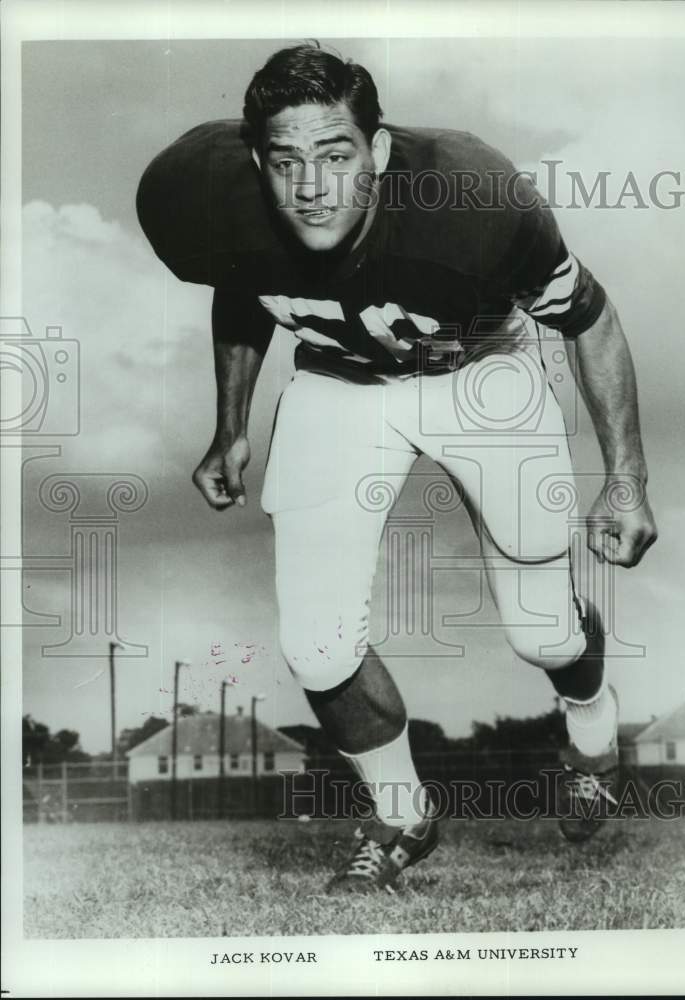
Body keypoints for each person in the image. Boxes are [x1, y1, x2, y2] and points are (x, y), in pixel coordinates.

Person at [137, 43, 657, 894]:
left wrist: (626, 476)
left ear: (375, 152)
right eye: (285, 161)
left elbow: (590, 320)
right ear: (252, 160)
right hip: (337, 382)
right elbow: (242, 284)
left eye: (335, 156)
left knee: (541, 632)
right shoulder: (203, 196)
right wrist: (230, 423)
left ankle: (591, 733)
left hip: (480, 369)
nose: (309, 187)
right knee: (314, 645)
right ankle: (400, 813)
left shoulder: (471, 197)